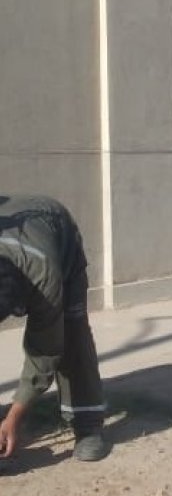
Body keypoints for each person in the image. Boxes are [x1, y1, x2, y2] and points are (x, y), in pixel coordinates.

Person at [0, 195, 109, 461]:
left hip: (59, 235)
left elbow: (45, 351)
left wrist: (15, 416)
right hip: (21, 230)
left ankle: (87, 424)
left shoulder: (42, 275)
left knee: (71, 333)